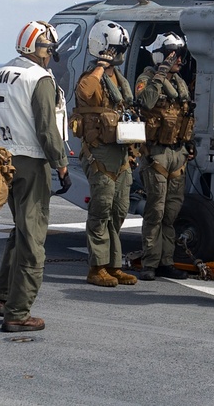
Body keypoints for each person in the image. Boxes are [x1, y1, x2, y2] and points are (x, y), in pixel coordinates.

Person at [0, 21, 69, 332]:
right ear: (40, 49)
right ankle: (18, 313)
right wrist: (60, 163)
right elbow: (47, 128)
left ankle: (4, 297)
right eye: (49, 48)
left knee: (19, 229)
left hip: (2, 161)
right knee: (33, 236)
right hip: (32, 162)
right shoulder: (39, 78)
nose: (50, 55)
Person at [74, 21, 138, 287]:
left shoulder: (118, 81)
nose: (118, 54)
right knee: (101, 210)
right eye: (114, 49)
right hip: (100, 153)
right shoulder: (91, 78)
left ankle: (113, 264)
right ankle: (96, 267)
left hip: (122, 153)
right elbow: (85, 93)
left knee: (119, 209)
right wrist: (100, 66)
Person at [134, 33, 195, 281]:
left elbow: (184, 114)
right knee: (155, 210)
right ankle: (150, 262)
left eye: (179, 55)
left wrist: (189, 144)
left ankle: (166, 261)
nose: (178, 60)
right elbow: (146, 101)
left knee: (171, 212)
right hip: (156, 153)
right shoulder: (148, 79)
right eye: (173, 54)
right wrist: (160, 73)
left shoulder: (179, 82)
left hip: (177, 153)